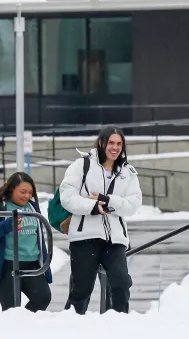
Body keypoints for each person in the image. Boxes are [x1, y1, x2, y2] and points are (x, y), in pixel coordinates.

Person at [58, 126, 142, 314]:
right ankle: (70, 326)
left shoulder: (127, 171)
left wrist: (108, 200)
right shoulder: (82, 165)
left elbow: (134, 203)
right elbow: (67, 197)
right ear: (101, 143)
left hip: (115, 239)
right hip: (85, 237)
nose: (115, 148)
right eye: (111, 143)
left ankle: (120, 324)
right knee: (81, 289)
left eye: (119, 144)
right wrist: (92, 207)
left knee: (121, 284)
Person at [0, 172, 53, 312]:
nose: (27, 196)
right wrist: (5, 226)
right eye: (22, 192)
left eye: (30, 192)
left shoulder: (32, 206)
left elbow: (38, 235)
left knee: (43, 298)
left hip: (32, 263)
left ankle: (23, 325)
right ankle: (13, 330)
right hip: (7, 265)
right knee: (11, 309)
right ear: (11, 190)